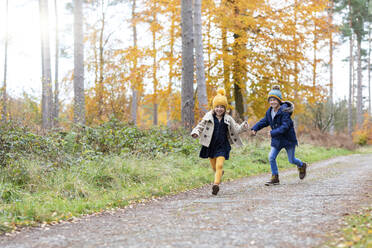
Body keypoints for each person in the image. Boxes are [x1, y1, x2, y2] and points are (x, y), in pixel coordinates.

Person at [191, 88, 249, 195]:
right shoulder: (208, 116)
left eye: (222, 107)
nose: (219, 109)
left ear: (225, 108)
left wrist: (243, 127)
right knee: (214, 167)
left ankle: (216, 185)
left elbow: (236, 129)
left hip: (222, 145)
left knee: (219, 165)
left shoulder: (228, 118)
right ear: (214, 107)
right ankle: (219, 174)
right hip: (210, 145)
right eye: (217, 106)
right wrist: (196, 132)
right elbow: (200, 126)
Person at [251, 85, 307, 186]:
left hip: (288, 139)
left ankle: (302, 165)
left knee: (291, 160)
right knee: (271, 157)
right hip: (277, 140)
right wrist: (255, 128)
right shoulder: (269, 112)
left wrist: (273, 133)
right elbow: (264, 121)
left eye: (274, 100)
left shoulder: (285, 111)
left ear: (279, 100)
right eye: (270, 100)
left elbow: (285, 126)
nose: (272, 102)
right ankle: (275, 177)